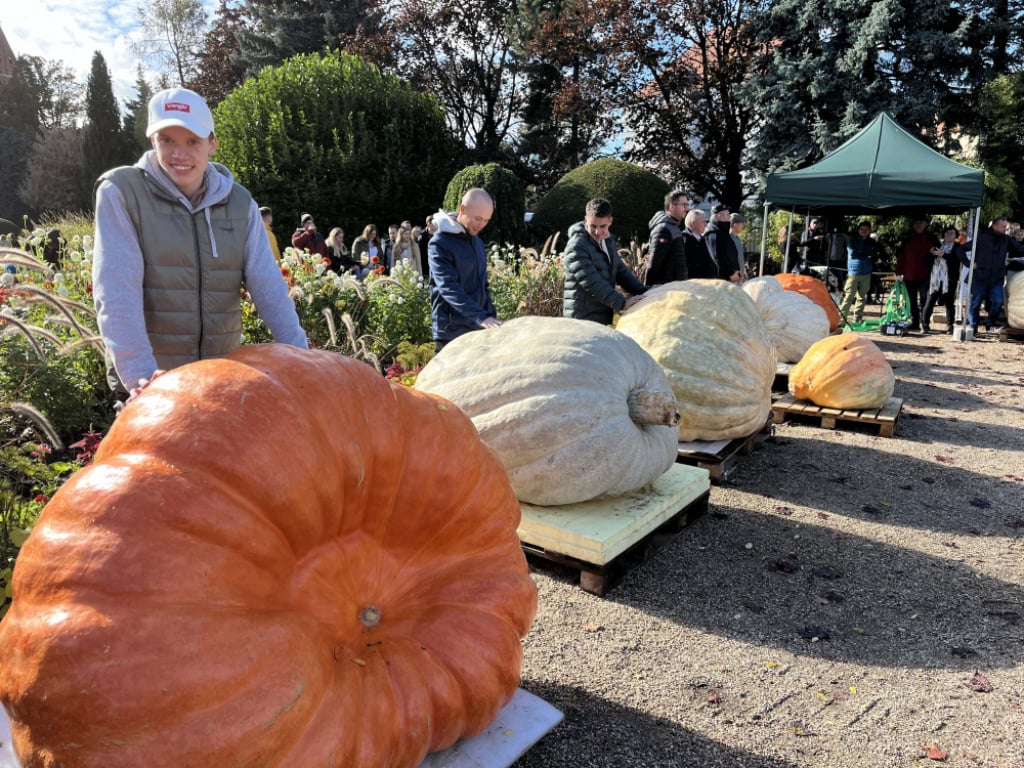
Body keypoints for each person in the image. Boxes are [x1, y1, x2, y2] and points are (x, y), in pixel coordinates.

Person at [92, 87, 307, 398]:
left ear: (212, 144)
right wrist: (141, 377)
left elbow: (268, 286)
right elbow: (115, 291)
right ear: (153, 141)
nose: (180, 154)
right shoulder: (121, 193)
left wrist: (304, 359)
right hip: (154, 382)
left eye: (192, 141)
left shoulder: (240, 204)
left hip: (220, 375)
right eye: (167, 140)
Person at [428, 188, 501, 351]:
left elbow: (483, 286)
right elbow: (447, 287)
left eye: (486, 220)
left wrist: (490, 316)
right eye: (478, 218)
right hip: (451, 333)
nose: (481, 225)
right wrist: (480, 317)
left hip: (477, 329)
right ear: (463, 209)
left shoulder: (478, 244)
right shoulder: (440, 243)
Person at [563, 197, 647, 325]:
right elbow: (591, 281)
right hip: (581, 319)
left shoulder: (608, 241)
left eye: (603, 226)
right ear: (586, 220)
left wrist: (644, 291)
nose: (598, 232)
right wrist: (622, 303)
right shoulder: (577, 246)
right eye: (593, 226)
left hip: (599, 317)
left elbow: (620, 270)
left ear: (610, 221)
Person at [961, 216, 1024, 334]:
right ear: (994, 226)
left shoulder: (1007, 240)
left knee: (998, 302)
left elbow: (1021, 248)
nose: (1005, 229)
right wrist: (968, 263)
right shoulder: (981, 238)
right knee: (975, 304)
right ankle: (973, 328)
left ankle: (990, 324)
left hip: (997, 279)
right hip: (980, 277)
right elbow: (960, 250)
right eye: (1003, 226)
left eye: (1006, 227)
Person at [896, 217, 940, 331]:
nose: (919, 225)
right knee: (911, 301)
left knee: (926, 301)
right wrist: (898, 273)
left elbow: (939, 255)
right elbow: (900, 256)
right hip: (909, 275)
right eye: (916, 222)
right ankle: (915, 323)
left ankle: (924, 323)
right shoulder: (906, 237)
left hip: (926, 274)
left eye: (921, 222)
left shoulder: (932, 238)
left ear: (926, 224)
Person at [839, 221, 884, 324]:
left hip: (866, 272)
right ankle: (842, 319)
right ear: (858, 230)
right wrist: (867, 255)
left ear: (869, 231)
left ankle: (857, 319)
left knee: (861, 297)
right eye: (862, 229)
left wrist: (865, 254)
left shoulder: (872, 242)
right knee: (849, 296)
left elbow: (874, 253)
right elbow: (852, 253)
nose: (864, 231)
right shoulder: (852, 240)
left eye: (866, 230)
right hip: (854, 271)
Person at [922, 226, 963, 334]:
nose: (949, 235)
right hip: (935, 279)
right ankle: (924, 325)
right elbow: (926, 261)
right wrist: (930, 254)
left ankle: (950, 327)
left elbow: (956, 262)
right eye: (947, 233)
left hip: (949, 280)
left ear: (956, 237)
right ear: (943, 234)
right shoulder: (936, 246)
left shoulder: (958, 247)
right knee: (929, 302)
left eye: (952, 233)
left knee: (949, 303)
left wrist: (944, 255)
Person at [645, 189, 689, 286]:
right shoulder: (663, 229)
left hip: (674, 287)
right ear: (671, 207)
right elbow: (654, 262)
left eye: (687, 205)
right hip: (665, 288)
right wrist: (647, 288)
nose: (686, 208)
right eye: (684, 205)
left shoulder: (673, 227)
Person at [704, 203, 742, 282]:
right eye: (727, 214)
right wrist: (731, 273)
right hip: (721, 279)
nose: (729, 217)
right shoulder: (712, 232)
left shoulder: (722, 231)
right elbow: (717, 256)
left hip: (729, 277)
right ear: (719, 216)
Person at [729, 213, 748, 280]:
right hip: (732, 277)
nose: (743, 226)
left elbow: (740, 256)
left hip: (740, 276)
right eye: (741, 224)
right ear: (735, 224)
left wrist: (743, 270)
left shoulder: (738, 238)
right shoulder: (728, 239)